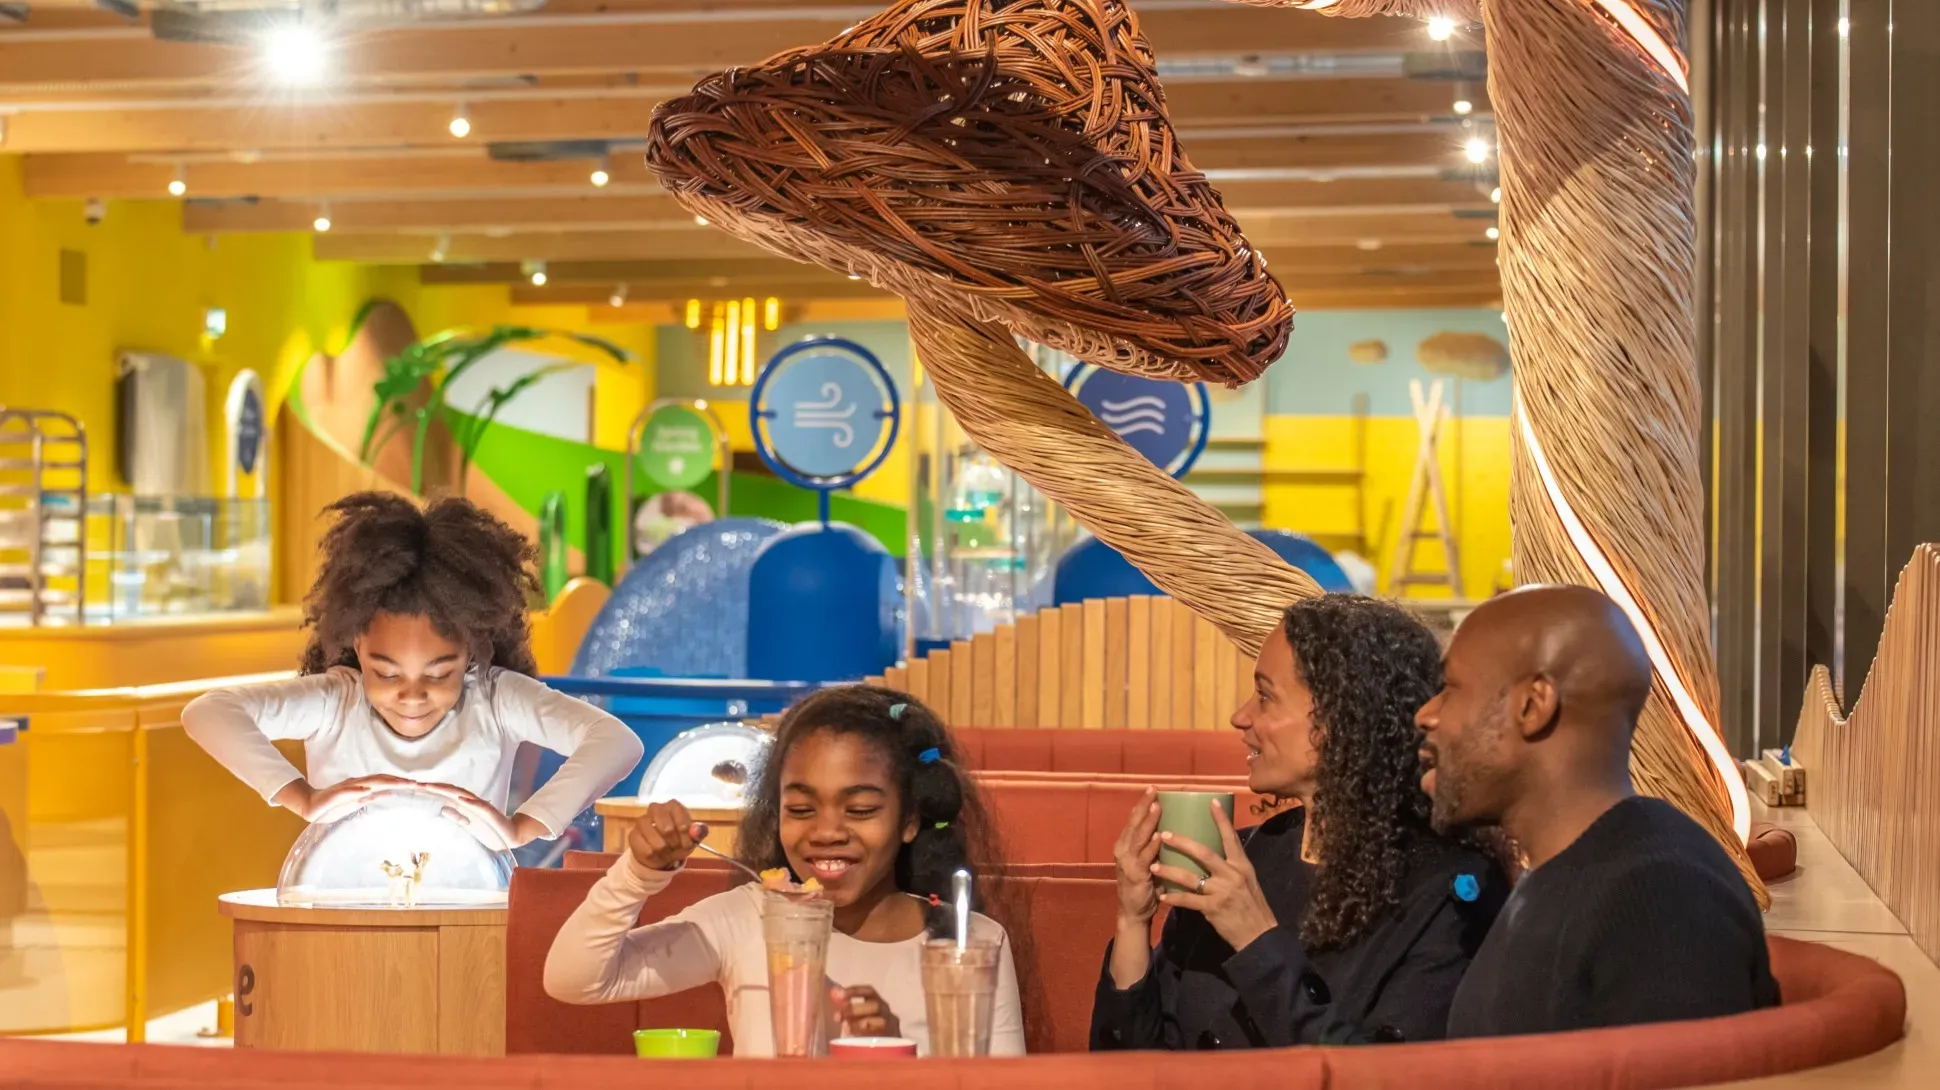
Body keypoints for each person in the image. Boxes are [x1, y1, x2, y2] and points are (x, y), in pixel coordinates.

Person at [1093, 595, 1506, 1049]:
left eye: (1265, 696)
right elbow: (1126, 1063)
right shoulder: (1244, 855)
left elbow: (1383, 1077)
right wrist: (1133, 920)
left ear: (1340, 716)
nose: (1240, 716)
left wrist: (1256, 940)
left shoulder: (1447, 889)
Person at [545, 686, 1027, 1056]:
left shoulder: (972, 945)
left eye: (859, 810)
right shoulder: (751, 918)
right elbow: (576, 978)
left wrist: (894, 1061)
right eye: (801, 809)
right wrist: (638, 873)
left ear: (909, 821)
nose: (826, 832)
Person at [182, 492, 643, 849]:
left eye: (439, 674)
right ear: (357, 643)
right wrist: (299, 797)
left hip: (467, 908)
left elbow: (616, 742)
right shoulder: (334, 702)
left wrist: (526, 824)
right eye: (386, 673)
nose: (412, 695)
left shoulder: (495, 699)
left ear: (471, 648)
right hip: (343, 905)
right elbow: (208, 713)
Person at [1417, 584, 1780, 1037]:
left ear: (1533, 707)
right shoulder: (1570, 874)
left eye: (1450, 688)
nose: (1426, 715)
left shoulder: (1658, 898)